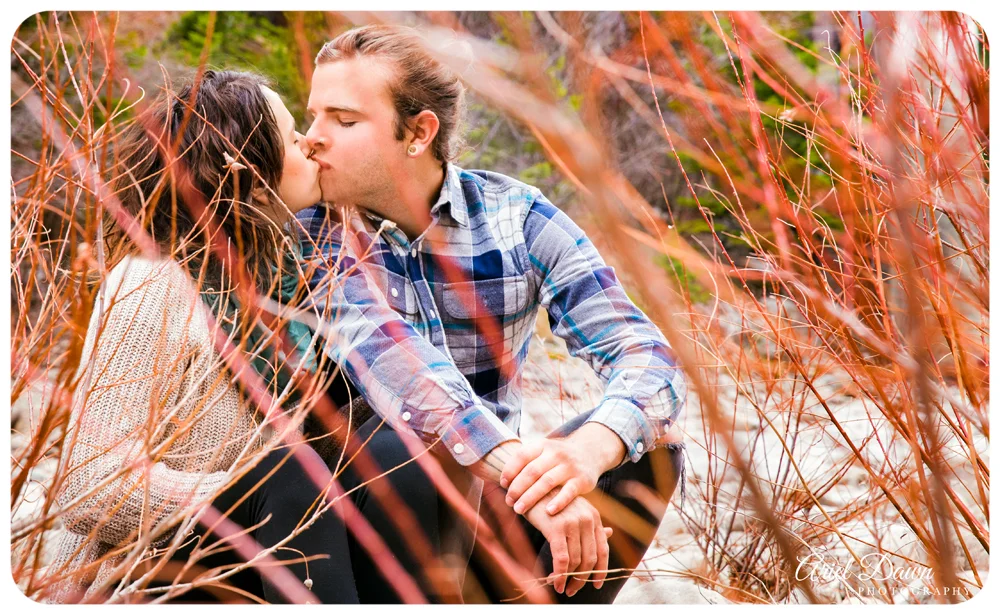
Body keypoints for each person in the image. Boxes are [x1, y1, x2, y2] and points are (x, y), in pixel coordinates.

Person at [297, 25, 687, 604]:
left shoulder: (516, 217)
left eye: (344, 120)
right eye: (313, 115)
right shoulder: (310, 233)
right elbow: (406, 371)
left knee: (650, 446)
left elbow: (644, 352)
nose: (311, 140)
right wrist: (527, 480)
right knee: (407, 440)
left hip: (490, 509)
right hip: (363, 526)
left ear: (419, 133)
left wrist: (584, 456)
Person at [45, 71, 359, 604]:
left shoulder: (295, 280)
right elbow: (86, 485)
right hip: (151, 574)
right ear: (250, 174)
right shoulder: (153, 284)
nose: (309, 142)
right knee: (291, 473)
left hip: (265, 561)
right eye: (289, 137)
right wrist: (257, 497)